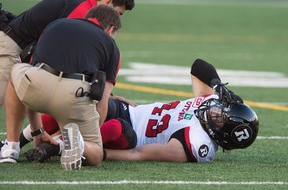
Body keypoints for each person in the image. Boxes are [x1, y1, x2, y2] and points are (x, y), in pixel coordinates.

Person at [18, 59, 259, 163]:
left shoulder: (199, 144)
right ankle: (16, 143)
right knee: (77, 103)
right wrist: (217, 85)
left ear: (221, 136)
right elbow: (198, 66)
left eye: (221, 119)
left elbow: (141, 153)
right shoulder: (211, 102)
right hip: (128, 110)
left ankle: (57, 147)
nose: (216, 112)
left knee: (112, 129)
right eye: (222, 109)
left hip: (130, 135)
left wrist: (98, 154)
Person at [0, 4, 122, 170]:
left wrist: (37, 131)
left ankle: (11, 148)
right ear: (110, 29)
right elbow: (102, 104)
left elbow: (31, 67)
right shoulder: (110, 44)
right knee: (96, 154)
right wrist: (91, 134)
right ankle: (77, 144)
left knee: (16, 71)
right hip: (75, 94)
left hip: (39, 83)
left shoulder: (57, 24)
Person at [0, 0, 135, 108]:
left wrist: (106, 93)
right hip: (11, 48)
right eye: (118, 13)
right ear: (108, 2)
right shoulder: (82, 12)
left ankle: (34, 132)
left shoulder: (80, 6)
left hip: (19, 48)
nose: (116, 19)